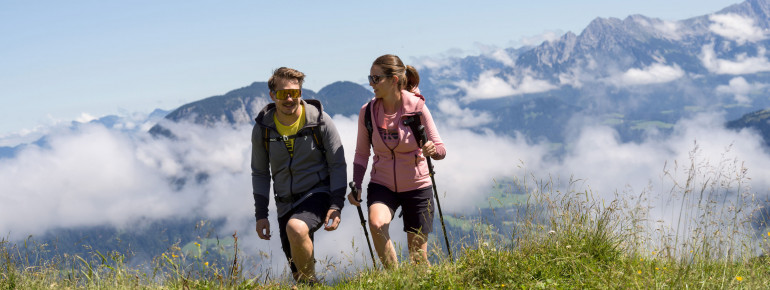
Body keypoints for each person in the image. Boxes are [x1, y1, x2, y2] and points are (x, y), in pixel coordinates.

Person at [348, 54, 447, 268]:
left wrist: (432, 150)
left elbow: (441, 148)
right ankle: (396, 279)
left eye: (376, 79)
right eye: (370, 78)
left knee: (418, 260)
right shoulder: (368, 112)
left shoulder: (417, 108)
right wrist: (356, 184)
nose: (371, 83)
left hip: (417, 185)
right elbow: (361, 153)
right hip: (382, 184)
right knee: (376, 223)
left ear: (393, 79)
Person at [251, 67, 347, 283]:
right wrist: (261, 214)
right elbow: (259, 172)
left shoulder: (320, 121)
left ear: (300, 93)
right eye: (283, 93)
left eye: (294, 93)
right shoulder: (263, 129)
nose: (288, 98)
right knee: (300, 276)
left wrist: (336, 203)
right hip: (285, 202)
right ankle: (311, 285)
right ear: (272, 95)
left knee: (295, 227)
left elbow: (337, 165)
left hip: (317, 193)